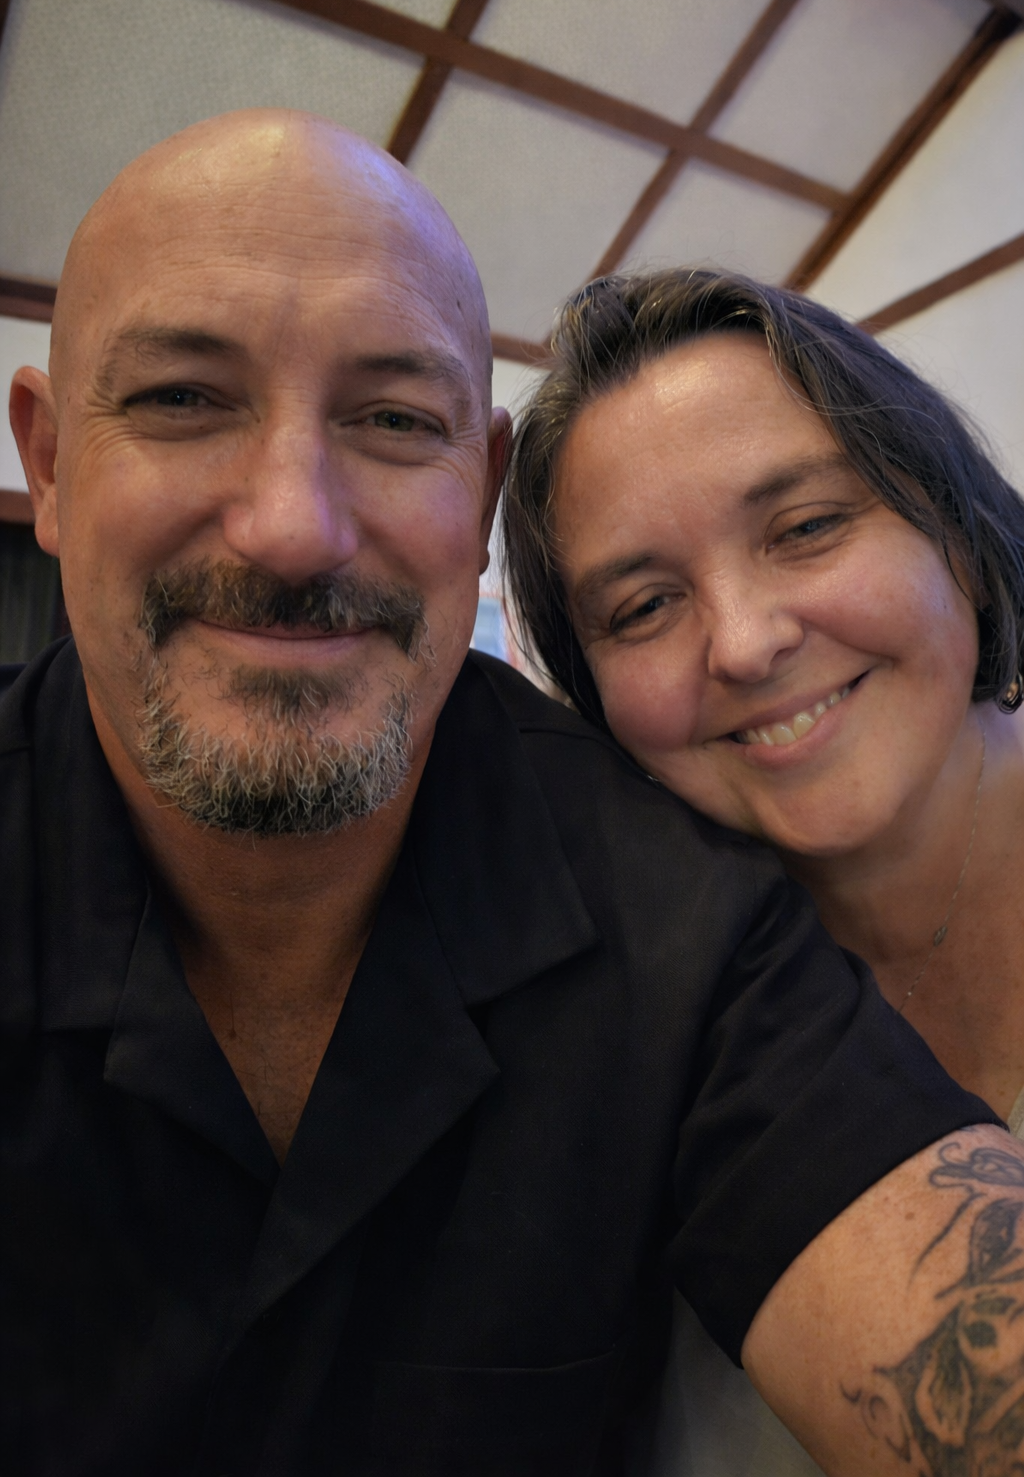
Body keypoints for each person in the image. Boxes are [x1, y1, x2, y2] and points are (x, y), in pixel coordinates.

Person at [0, 115, 1016, 1477]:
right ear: (49, 462)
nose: (293, 524)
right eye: (184, 399)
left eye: (394, 419)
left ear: (475, 496)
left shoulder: (678, 912)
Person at [503, 266, 1024, 1476]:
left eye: (805, 529)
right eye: (643, 606)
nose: (743, 643)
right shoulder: (616, 1026)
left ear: (951, 522)